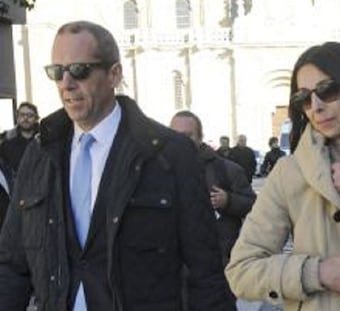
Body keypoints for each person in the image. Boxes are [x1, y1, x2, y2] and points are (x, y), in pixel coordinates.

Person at [0, 20, 236, 311]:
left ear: (114, 74)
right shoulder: (39, 153)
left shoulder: (170, 155)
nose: (66, 83)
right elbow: (12, 265)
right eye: (57, 72)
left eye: (79, 70)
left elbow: (205, 271)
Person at [225, 41, 340, 311]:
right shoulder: (289, 172)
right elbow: (241, 271)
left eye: (327, 90)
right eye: (303, 98)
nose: (316, 106)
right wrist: (318, 273)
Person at [170, 111, 256, 265]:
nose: (181, 141)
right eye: (176, 135)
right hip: (177, 261)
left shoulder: (227, 169)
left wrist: (228, 200)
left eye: (188, 135)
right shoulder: (160, 170)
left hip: (219, 257)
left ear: (200, 137)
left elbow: (253, 204)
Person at [0, 102, 39, 175]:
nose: (25, 118)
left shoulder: (44, 141)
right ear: (17, 117)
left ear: (36, 118)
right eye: (22, 115)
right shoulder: (7, 143)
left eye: (30, 115)